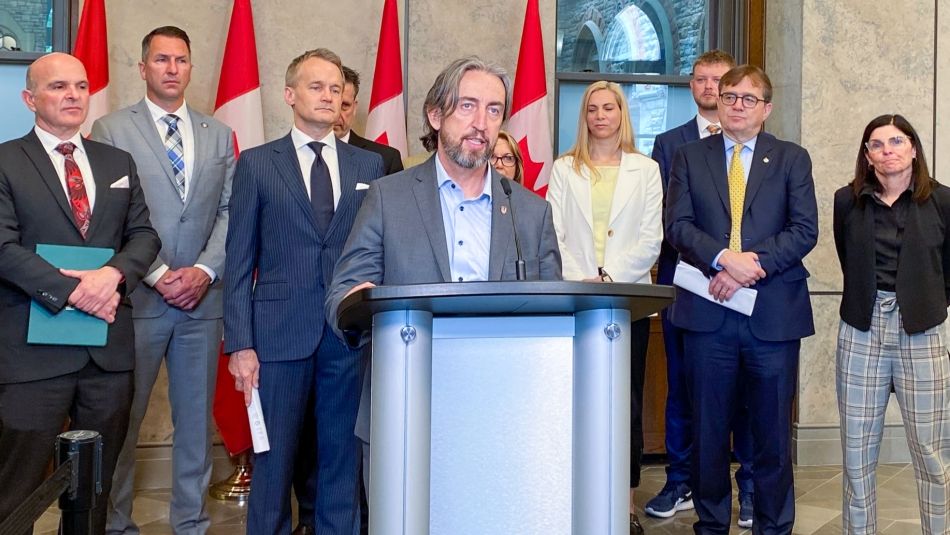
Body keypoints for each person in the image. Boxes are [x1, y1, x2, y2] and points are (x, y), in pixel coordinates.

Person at [224, 48, 385, 535]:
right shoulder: (256, 164)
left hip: (346, 336)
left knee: (341, 459)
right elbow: (237, 263)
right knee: (273, 463)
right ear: (290, 95)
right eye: (317, 87)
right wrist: (240, 344)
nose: (328, 96)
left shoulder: (370, 166)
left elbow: (378, 250)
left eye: (336, 89)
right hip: (275, 339)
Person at [0, 52, 160, 533]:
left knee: (95, 488)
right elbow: (3, 246)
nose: (73, 95)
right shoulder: (5, 160)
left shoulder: (118, 161)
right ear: (30, 99)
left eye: (81, 86)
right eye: (58, 87)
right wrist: (75, 291)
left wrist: (110, 277)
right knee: (17, 491)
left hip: (106, 355)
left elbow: (145, 236)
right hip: (31, 354)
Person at [89, 26, 235, 535]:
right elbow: (110, 217)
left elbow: (229, 211)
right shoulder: (109, 130)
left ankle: (190, 524)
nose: (172, 68)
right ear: (143, 67)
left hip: (203, 297)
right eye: (162, 59)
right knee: (123, 423)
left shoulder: (218, 133)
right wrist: (155, 273)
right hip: (139, 299)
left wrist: (203, 270)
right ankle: (116, 524)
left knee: (196, 426)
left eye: (181, 60)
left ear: (191, 67)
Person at [665, 64, 818, 535]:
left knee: (771, 438)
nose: (735, 104)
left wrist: (749, 265)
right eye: (729, 96)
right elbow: (678, 226)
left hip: (771, 316)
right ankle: (711, 525)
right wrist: (722, 258)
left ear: (766, 109)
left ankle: (773, 527)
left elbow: (804, 229)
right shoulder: (691, 156)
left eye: (747, 98)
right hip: (708, 316)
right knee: (709, 434)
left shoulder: (792, 158)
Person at [546, 80, 661, 535]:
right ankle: (570, 497)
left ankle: (624, 504)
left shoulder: (646, 169)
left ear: (621, 114)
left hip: (627, 301)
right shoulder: (563, 168)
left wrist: (610, 278)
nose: (600, 115)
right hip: (575, 299)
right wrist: (584, 280)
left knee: (626, 406)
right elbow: (552, 234)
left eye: (608, 107)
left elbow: (651, 238)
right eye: (592, 108)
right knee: (574, 403)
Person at [649, 49, 756, 528]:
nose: (711, 88)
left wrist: (736, 269)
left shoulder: (766, 147)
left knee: (748, 394)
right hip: (688, 289)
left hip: (751, 289)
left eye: (721, 81)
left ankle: (749, 487)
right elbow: (670, 219)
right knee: (684, 390)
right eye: (701, 80)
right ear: (691, 86)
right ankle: (681, 479)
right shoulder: (671, 143)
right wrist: (713, 262)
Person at [833, 114, 950, 535]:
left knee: (931, 454)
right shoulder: (847, 200)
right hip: (862, 331)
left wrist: (925, 304)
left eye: (897, 141)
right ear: (867, 155)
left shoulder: (942, 201)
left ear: (914, 148)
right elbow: (850, 261)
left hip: (922, 332)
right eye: (877, 144)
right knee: (857, 454)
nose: (888, 151)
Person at [333, 65, 403, 176]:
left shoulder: (386, 158)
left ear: (354, 108)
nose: (336, 114)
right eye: (330, 104)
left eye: (344, 105)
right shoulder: (297, 152)